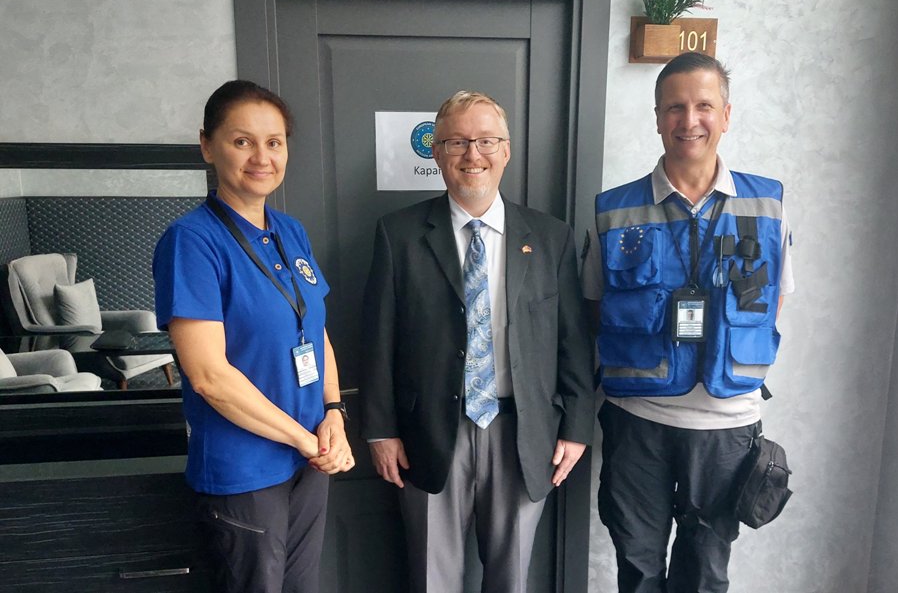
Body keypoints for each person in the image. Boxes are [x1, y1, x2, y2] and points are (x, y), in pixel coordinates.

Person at [359, 90, 594, 593]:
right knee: (432, 578)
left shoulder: (550, 237)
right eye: (457, 142)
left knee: (510, 579)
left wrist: (577, 427)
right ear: (437, 152)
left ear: (506, 150)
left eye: (487, 140)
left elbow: (572, 340)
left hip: (523, 433)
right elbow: (377, 339)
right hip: (426, 434)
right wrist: (379, 430)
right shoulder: (398, 234)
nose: (473, 154)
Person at [582, 52, 794, 592]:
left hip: (727, 426)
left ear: (727, 115)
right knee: (637, 569)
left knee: (705, 575)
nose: (689, 120)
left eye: (704, 105)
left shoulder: (768, 205)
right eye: (675, 107)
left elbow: (773, 302)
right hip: (638, 421)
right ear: (657, 117)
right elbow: (594, 308)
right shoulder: (613, 210)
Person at [153, 80, 355, 593]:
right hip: (245, 470)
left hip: (307, 459)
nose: (261, 157)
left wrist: (334, 412)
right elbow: (209, 376)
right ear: (207, 146)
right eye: (242, 141)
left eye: (274, 142)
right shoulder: (191, 242)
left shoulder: (291, 231)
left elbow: (316, 331)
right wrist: (305, 439)